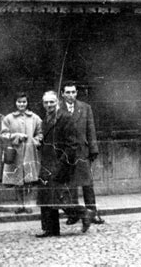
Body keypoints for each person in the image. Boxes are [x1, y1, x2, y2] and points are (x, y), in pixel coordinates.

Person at [35, 90, 93, 238]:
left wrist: (62, 165)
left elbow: (72, 145)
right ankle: (51, 229)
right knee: (46, 197)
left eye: (52, 102)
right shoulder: (45, 119)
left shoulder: (65, 118)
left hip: (59, 163)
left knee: (59, 197)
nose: (49, 105)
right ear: (43, 104)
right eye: (46, 102)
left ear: (58, 103)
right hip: (47, 163)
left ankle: (84, 213)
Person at [59, 81, 104, 225]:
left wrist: (93, 149)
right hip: (66, 152)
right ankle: (74, 214)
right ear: (62, 94)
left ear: (76, 93)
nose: (71, 95)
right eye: (68, 92)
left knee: (87, 184)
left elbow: (91, 129)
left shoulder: (85, 108)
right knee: (70, 184)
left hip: (82, 151)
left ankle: (93, 212)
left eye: (73, 92)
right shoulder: (58, 109)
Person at [1, 92, 43, 214]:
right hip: (16, 154)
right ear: (15, 103)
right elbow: (3, 135)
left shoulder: (35, 118)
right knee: (17, 180)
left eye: (24, 102)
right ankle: (20, 204)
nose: (21, 104)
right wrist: (16, 136)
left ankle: (28, 204)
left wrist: (34, 142)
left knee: (29, 181)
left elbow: (40, 133)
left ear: (27, 102)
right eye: (19, 102)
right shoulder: (8, 118)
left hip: (30, 153)